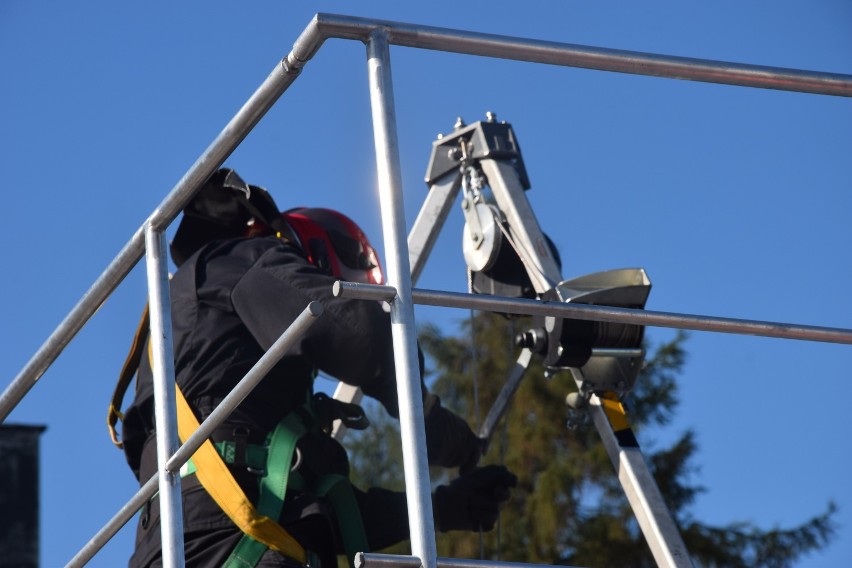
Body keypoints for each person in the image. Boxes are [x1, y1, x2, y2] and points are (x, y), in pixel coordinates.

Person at [110, 169, 517, 568]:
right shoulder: (241, 258)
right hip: (233, 542)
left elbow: (319, 517)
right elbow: (359, 335)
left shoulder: (223, 371)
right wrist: (435, 423)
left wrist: (440, 509)